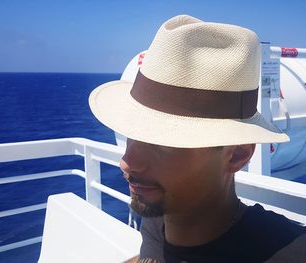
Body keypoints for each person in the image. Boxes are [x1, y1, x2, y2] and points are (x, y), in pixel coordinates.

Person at [89, 15, 306, 262]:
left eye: (162, 143)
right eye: (132, 135)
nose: (127, 163)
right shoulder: (159, 220)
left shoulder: (290, 254)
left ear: (237, 154)